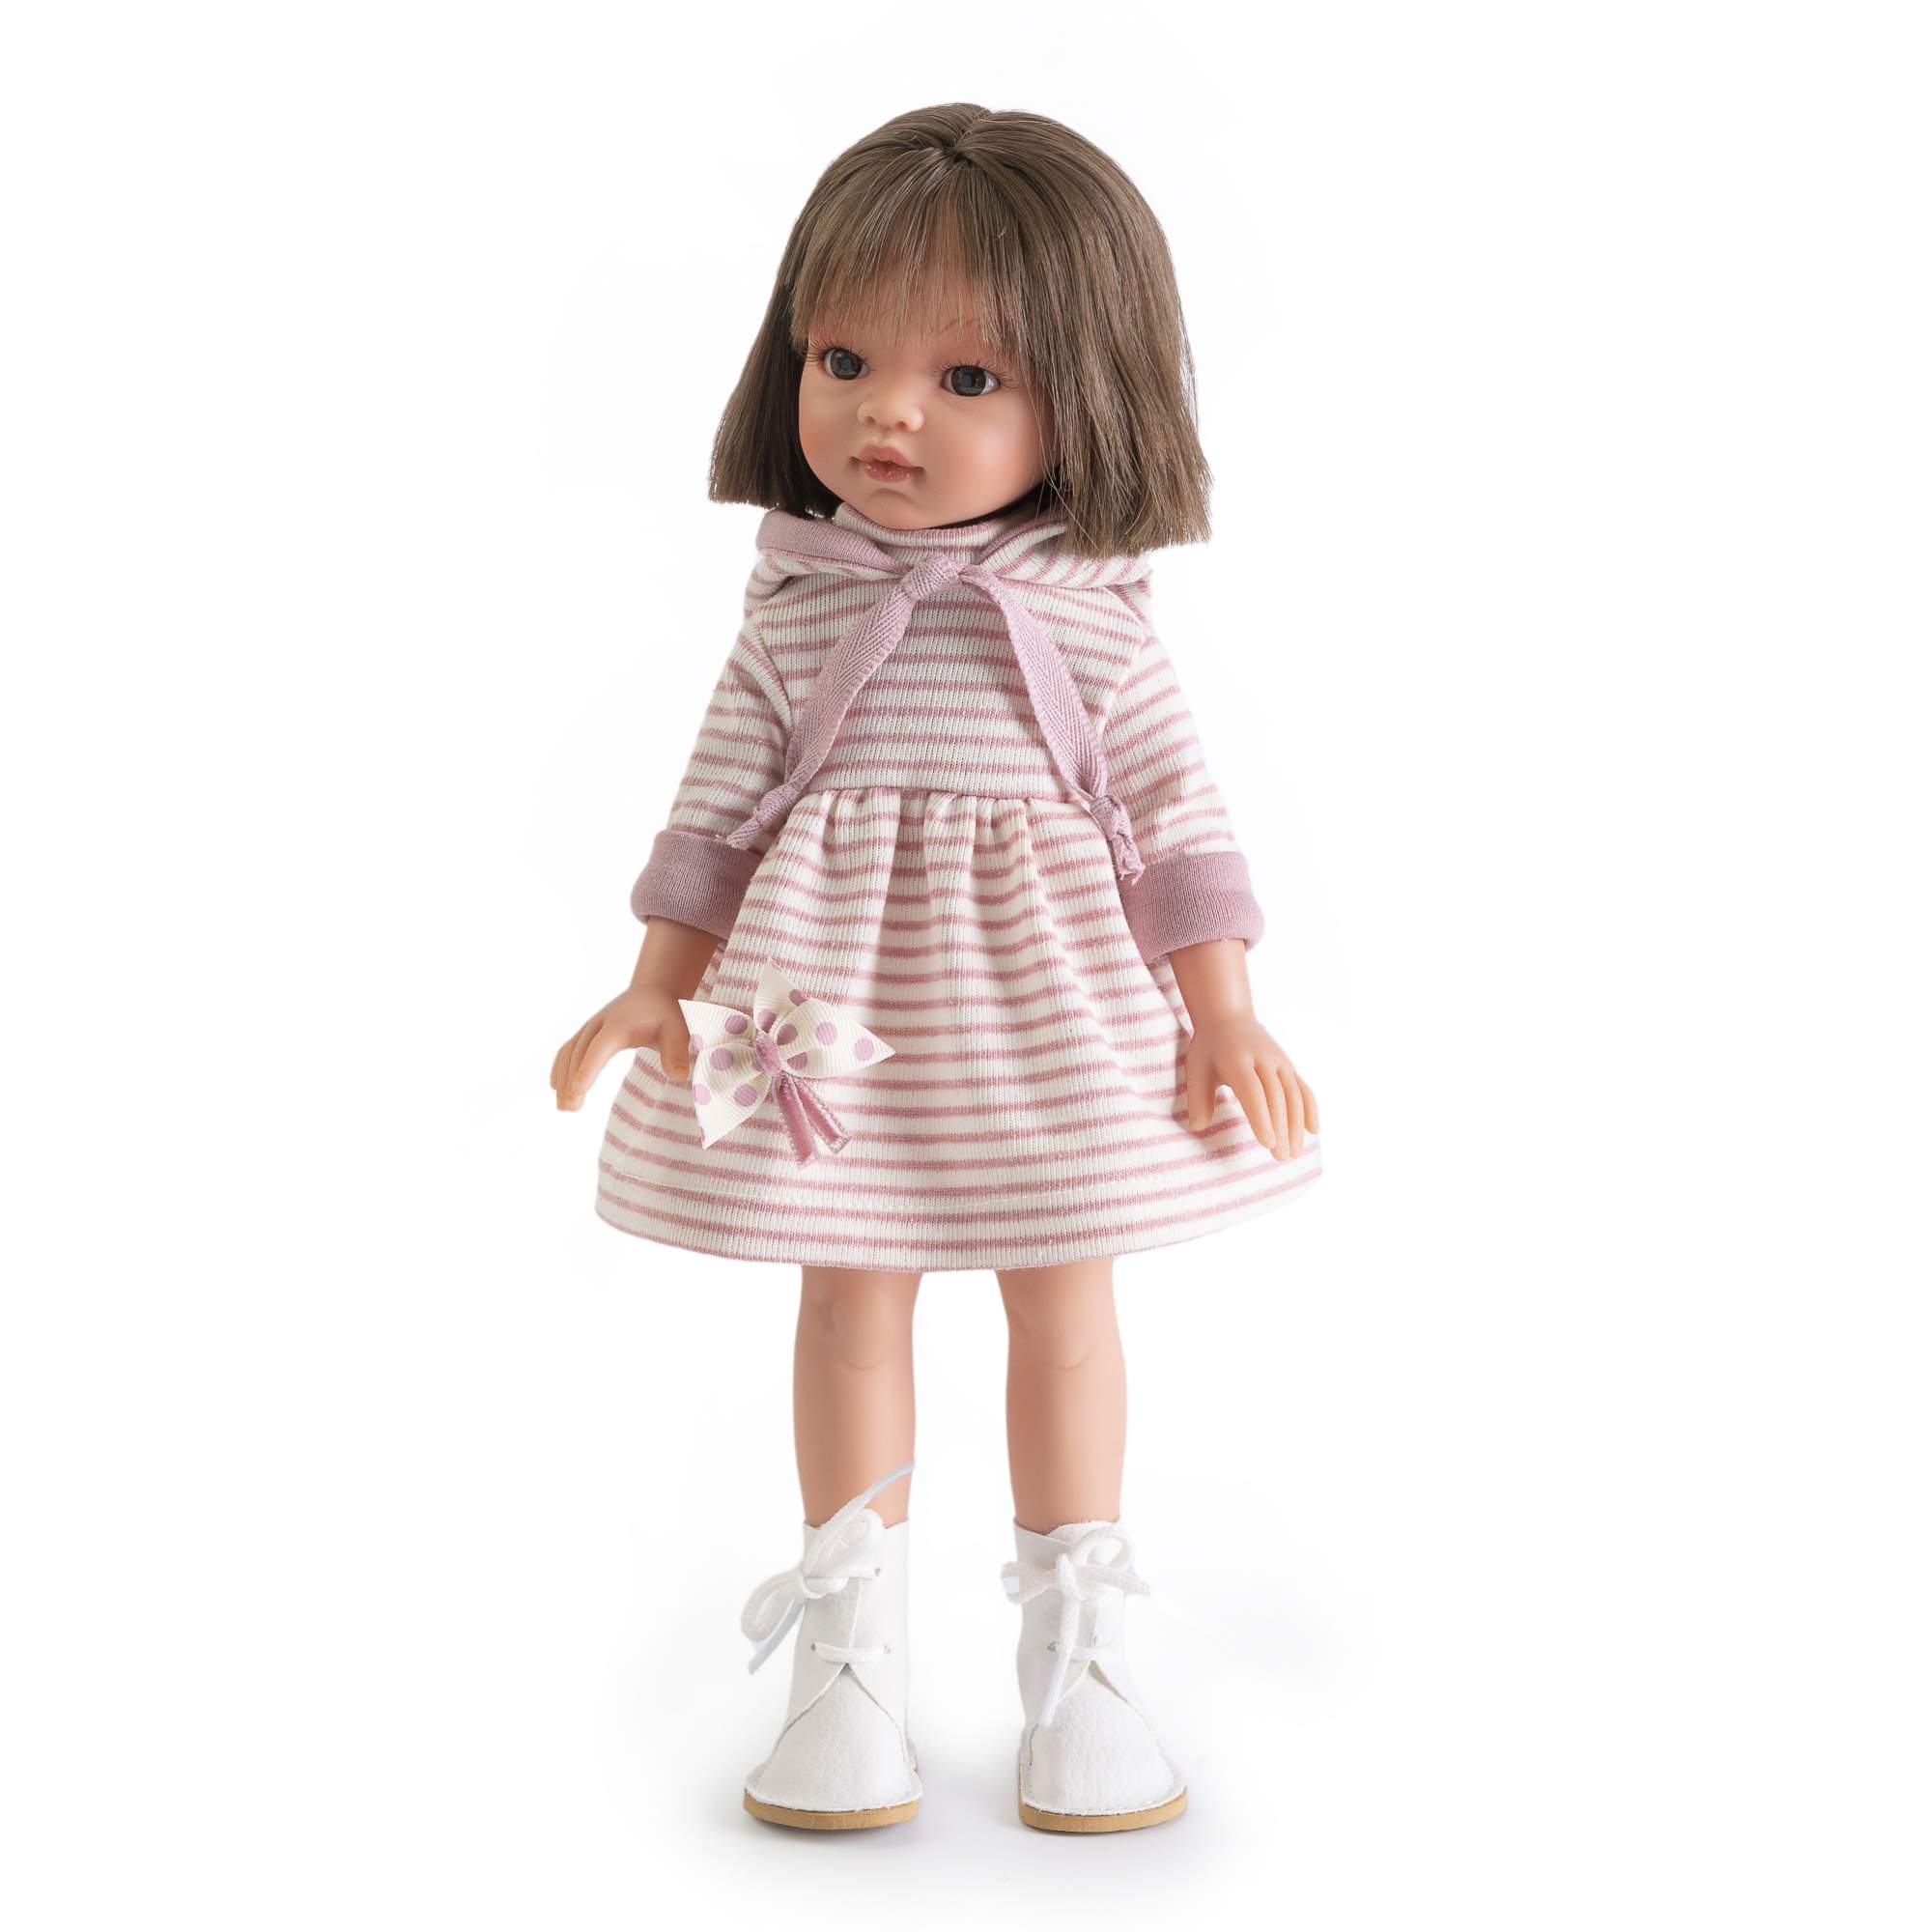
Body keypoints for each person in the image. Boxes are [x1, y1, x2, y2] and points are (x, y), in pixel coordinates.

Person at [552, 102, 1322, 1834]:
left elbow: (1176, 816)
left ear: (1087, 397)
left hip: (1047, 1007)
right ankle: (851, 1669)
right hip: (828, 1006)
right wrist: (658, 980)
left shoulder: (1094, 606)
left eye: (966, 378)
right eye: (844, 360)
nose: (886, 412)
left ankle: (1080, 1662)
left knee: (1065, 1303)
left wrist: (1225, 1010)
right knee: (847, 1295)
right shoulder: (800, 595)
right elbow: (719, 806)